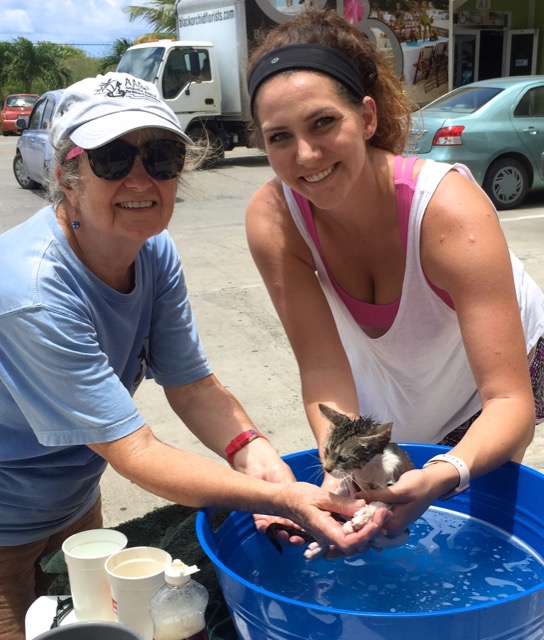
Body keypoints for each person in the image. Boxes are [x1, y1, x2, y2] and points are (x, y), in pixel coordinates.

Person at [0, 71, 380, 640]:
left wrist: (261, 464)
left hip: (75, 498)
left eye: (160, 156)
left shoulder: (153, 249)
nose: (140, 178)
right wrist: (281, 496)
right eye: (110, 158)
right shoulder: (31, 292)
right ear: (65, 174)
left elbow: (193, 386)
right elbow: (135, 450)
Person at [245, 9, 544, 549]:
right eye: (279, 137)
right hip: (397, 374)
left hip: (498, 376)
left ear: (366, 116)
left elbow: (509, 402)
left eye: (323, 123)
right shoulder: (273, 219)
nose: (305, 155)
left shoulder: (448, 211)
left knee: (468, 512)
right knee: (375, 497)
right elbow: (321, 365)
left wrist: (445, 472)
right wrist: (342, 475)